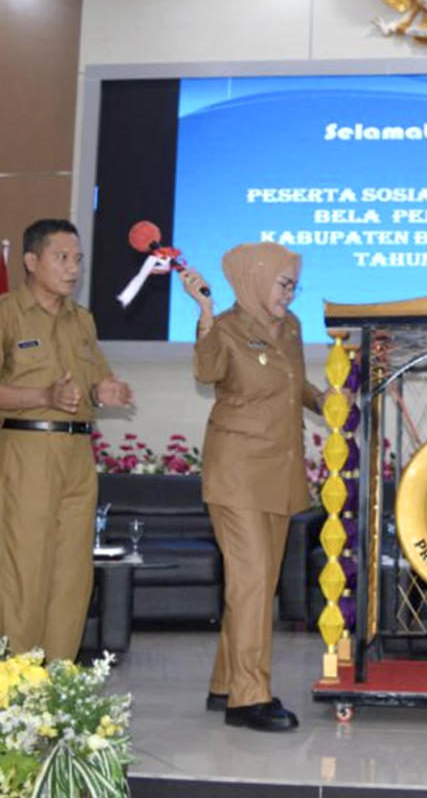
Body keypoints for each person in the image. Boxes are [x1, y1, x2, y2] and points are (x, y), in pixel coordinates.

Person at [0, 219, 133, 662]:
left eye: (78, 258)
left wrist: (105, 391)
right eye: (62, 257)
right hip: (28, 448)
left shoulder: (82, 320)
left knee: (72, 572)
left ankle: (58, 681)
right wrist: (42, 395)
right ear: (31, 261)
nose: (73, 267)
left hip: (77, 452)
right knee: (23, 567)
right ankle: (16, 685)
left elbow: (95, 380)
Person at [180, 242, 324, 732]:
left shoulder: (292, 328)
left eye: (293, 284)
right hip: (238, 473)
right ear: (256, 279)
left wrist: (334, 406)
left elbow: (296, 386)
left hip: (280, 474)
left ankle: (225, 683)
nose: (290, 292)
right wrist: (202, 314)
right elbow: (207, 370)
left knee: (252, 586)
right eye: (284, 283)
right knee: (254, 581)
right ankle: (249, 697)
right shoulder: (225, 327)